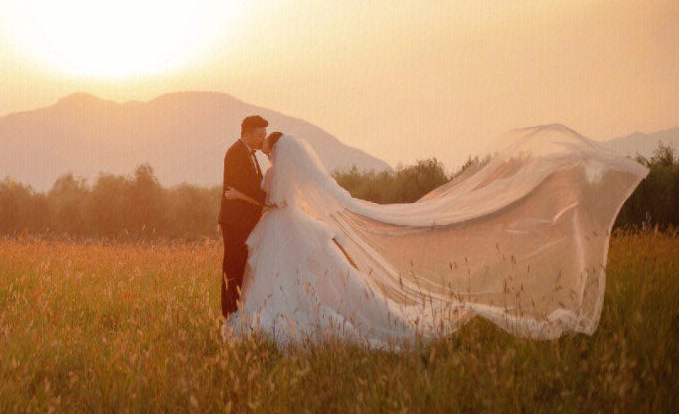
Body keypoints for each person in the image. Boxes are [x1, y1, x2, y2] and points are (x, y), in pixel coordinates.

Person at [221, 124, 649, 350]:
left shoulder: (276, 170)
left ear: (276, 150)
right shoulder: (284, 168)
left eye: (266, 147)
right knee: (316, 280)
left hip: (281, 225)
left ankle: (262, 322)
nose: (264, 150)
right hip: (289, 225)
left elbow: (272, 199)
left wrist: (252, 198)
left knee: (287, 282)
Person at [217, 115, 278, 318]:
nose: (263, 139)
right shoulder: (236, 153)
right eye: (260, 135)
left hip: (245, 222)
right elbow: (250, 188)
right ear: (247, 134)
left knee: (242, 267)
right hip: (235, 222)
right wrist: (272, 198)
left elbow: (255, 186)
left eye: (265, 135)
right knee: (233, 268)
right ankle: (230, 315)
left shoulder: (250, 154)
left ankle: (236, 313)